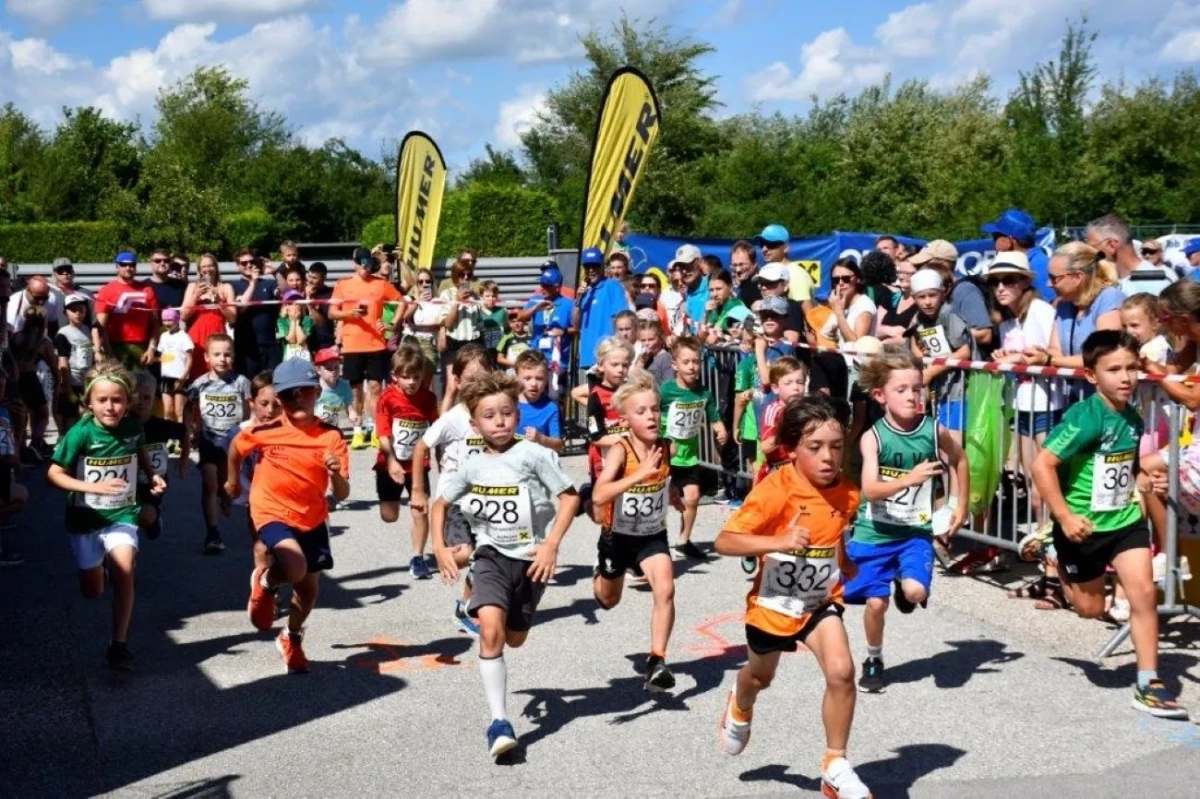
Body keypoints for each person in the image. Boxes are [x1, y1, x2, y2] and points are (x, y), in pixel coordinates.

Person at [713, 394, 871, 799]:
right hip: (773, 605)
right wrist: (778, 541)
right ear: (793, 449)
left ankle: (835, 765)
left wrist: (845, 562)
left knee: (842, 671)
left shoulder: (848, 493)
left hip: (819, 602)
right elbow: (725, 541)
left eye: (836, 446)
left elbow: (832, 535)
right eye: (815, 447)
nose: (828, 457)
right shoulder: (776, 489)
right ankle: (741, 701)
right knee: (761, 677)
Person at [1030, 330, 1188, 719]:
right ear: (1091, 376)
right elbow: (1041, 464)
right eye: (1114, 370)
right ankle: (1053, 552)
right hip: (1081, 527)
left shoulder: (1132, 417)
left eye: (1131, 368)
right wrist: (1064, 517)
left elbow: (1124, 466)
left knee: (1143, 595)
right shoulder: (1084, 417)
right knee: (1090, 608)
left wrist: (1142, 479)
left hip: (1124, 522)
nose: (1126, 377)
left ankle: (1148, 683)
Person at [430, 371, 580, 759]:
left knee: (515, 637)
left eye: (507, 413)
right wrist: (439, 547)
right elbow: (440, 504)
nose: (499, 422)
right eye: (489, 415)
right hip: (490, 557)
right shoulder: (472, 465)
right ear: (475, 424)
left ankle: (510, 641)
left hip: (530, 561)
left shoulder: (534, 455)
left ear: (517, 414)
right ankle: (499, 722)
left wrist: (551, 545)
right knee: (491, 631)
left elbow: (570, 497)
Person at [845, 350, 969, 694]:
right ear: (880, 395)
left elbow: (960, 460)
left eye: (917, 388)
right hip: (874, 532)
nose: (912, 396)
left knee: (915, 591)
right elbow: (870, 490)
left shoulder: (933, 430)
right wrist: (909, 479)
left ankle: (904, 580)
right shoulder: (873, 437)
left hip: (914, 531)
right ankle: (873, 658)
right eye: (901, 390)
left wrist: (958, 504)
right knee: (875, 603)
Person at [229, 358, 350, 674]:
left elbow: (343, 493)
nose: (297, 399)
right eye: (288, 395)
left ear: (316, 393)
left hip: (311, 517)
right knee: (294, 565)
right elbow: (236, 448)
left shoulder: (331, 437)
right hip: (270, 509)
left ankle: (291, 637)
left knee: (308, 591)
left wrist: (335, 474)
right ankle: (266, 582)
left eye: (304, 392)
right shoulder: (266, 430)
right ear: (280, 399)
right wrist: (231, 482)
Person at [46, 361, 166, 670]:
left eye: (117, 400)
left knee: (125, 567)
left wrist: (153, 477)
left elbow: (141, 457)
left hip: (122, 513)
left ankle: (119, 644)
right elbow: (54, 474)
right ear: (89, 402)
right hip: (86, 520)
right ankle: (100, 572)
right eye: (102, 400)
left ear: (128, 401)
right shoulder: (80, 433)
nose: (110, 407)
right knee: (92, 590)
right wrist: (91, 486)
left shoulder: (133, 428)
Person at [591, 371, 677, 691]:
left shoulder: (665, 447)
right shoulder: (621, 450)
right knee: (608, 600)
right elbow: (599, 495)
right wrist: (639, 475)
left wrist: (673, 493)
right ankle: (599, 574)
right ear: (626, 419)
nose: (651, 416)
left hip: (652, 535)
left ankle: (657, 660)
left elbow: (665, 478)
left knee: (665, 588)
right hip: (617, 537)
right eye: (641, 411)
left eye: (655, 409)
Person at [411, 345, 493, 633]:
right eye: (469, 379)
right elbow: (421, 446)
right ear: (457, 380)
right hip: (455, 500)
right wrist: (418, 490)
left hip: (486, 499)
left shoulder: (491, 413)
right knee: (468, 554)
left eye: (482, 377)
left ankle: (466, 606)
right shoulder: (453, 418)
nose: (476, 384)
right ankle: (442, 553)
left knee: (487, 555)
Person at [988, 252, 1063, 558]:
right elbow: (1014, 362)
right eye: (995, 282)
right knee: (1033, 481)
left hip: (1048, 405)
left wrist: (1019, 358)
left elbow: (1053, 354)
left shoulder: (1042, 311)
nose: (1000, 287)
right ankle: (1047, 549)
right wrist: (1002, 358)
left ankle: (1056, 551)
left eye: (1008, 280)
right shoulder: (1007, 322)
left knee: (1047, 483)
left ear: (1023, 283)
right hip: (1022, 406)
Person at [1024, 242, 1124, 403]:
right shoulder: (1063, 305)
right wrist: (1034, 355)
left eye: (1054, 278)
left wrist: (1049, 360)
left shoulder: (1109, 297)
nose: (1049, 284)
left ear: (1078, 277)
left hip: (1106, 403)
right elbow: (1055, 350)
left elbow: (1102, 355)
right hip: (1075, 399)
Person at [329, 247, 403, 451]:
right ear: (354, 263)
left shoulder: (381, 284)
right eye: (361, 262)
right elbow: (332, 313)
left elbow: (402, 302)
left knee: (376, 387)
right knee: (355, 389)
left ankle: (377, 429)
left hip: (376, 344)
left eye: (368, 262)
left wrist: (391, 324)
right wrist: (350, 313)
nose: (365, 266)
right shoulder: (343, 284)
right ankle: (358, 430)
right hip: (352, 345)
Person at [375, 345, 439, 578]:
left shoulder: (429, 399)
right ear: (395, 376)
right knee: (389, 516)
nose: (412, 382)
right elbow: (383, 434)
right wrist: (391, 461)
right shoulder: (387, 398)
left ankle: (417, 557)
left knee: (420, 510)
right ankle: (392, 503)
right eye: (406, 377)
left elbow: (436, 429)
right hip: (390, 463)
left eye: (416, 377)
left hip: (418, 465)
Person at [660, 335, 726, 559]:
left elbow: (714, 418)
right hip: (665, 454)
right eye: (686, 362)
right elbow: (650, 413)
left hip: (688, 455)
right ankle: (651, 541)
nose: (692, 366)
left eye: (696, 361)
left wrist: (721, 430)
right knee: (659, 499)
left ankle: (683, 541)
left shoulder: (703, 392)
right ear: (675, 365)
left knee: (693, 496)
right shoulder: (665, 391)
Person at [188, 333, 252, 555]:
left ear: (233, 356)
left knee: (226, 485)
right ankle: (212, 534)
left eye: (227, 354)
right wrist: (191, 428)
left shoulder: (241, 382)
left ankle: (225, 498)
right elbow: (188, 405)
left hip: (232, 443)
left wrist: (248, 430)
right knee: (209, 484)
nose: (222, 359)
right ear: (207, 357)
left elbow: (249, 409)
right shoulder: (200, 383)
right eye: (217, 354)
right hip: (209, 441)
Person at [909, 269, 974, 440]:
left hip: (957, 388)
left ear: (943, 294)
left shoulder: (949, 315)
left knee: (952, 441)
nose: (928, 302)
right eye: (922, 297)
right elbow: (913, 343)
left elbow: (964, 352)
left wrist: (931, 372)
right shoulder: (918, 318)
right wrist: (922, 360)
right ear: (914, 298)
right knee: (937, 439)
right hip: (936, 389)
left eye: (932, 295)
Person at [131, 369, 187, 542]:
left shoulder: (162, 426)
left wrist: (183, 460)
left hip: (154, 482)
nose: (140, 402)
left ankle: (154, 516)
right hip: (128, 481)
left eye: (146, 397)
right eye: (136, 397)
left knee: (146, 520)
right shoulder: (123, 425)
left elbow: (184, 432)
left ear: (154, 398)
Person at [911, 240, 994, 354]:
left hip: (969, 363)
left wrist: (943, 335)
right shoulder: (932, 295)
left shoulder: (965, 290)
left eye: (923, 265)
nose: (919, 270)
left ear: (941, 264)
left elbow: (985, 335)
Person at [1086, 214, 1176, 297]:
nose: (1089, 253)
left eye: (1093, 247)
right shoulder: (1102, 281)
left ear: (1112, 246)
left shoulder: (1157, 284)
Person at [10, 306, 58, 460]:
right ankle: (35, 444)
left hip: (14, 379)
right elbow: (54, 366)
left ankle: (20, 448)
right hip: (30, 378)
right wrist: (59, 383)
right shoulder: (43, 341)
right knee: (42, 414)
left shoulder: (15, 337)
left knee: (21, 415)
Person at [180, 253, 237, 381]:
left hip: (218, 335)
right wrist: (195, 296)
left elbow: (233, 318)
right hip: (196, 336)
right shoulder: (192, 287)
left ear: (216, 267)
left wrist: (219, 301)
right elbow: (183, 316)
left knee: (219, 374)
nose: (207, 269)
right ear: (199, 270)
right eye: (204, 267)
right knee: (196, 374)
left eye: (211, 266)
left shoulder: (226, 287)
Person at [575, 247, 632, 372]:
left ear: (602, 266)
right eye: (587, 266)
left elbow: (621, 319)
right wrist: (578, 300)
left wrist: (617, 350)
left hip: (608, 356)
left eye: (594, 266)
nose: (591, 270)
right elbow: (575, 325)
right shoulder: (585, 292)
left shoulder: (612, 286)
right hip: (588, 357)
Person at [54, 293, 102, 436]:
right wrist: (66, 387)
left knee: (86, 414)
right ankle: (66, 440)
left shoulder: (86, 330)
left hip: (86, 382)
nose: (77, 313)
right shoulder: (63, 334)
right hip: (72, 382)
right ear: (65, 313)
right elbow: (63, 361)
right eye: (73, 310)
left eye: (80, 310)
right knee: (69, 416)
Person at [755, 357, 808, 484]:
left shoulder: (806, 409)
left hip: (800, 468)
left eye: (800, 382)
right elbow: (765, 447)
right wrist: (785, 430)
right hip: (778, 470)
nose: (796, 387)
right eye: (788, 383)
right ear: (775, 388)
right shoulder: (774, 411)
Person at [230, 249, 281, 379]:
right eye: (244, 263)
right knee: (248, 384)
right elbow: (242, 307)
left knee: (274, 383)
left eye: (251, 261)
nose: (249, 265)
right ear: (237, 266)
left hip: (270, 344)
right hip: (246, 347)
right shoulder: (233, 286)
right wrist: (253, 282)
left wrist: (275, 273)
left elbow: (287, 293)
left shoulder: (269, 283)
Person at [982, 208, 1051, 297]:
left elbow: (1049, 304)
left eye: (995, 238)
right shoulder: (1030, 262)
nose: (994, 244)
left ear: (1009, 240)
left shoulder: (1037, 266)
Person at [754, 224, 813, 311]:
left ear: (785, 248)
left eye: (770, 244)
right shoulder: (765, 272)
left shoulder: (796, 274)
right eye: (762, 244)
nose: (764, 249)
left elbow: (809, 314)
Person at [439, 259, 485, 368]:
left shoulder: (475, 296)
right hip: (455, 343)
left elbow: (480, 322)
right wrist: (457, 301)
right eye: (461, 275)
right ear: (455, 276)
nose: (465, 278)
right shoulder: (447, 294)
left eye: (469, 275)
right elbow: (448, 324)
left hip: (474, 343)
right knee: (453, 378)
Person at [515, 350, 562, 453]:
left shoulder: (550, 408)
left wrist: (540, 438)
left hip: (540, 459)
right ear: (517, 378)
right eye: (527, 378)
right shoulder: (509, 405)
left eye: (539, 379)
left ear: (546, 380)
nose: (534, 384)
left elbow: (559, 446)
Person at [155, 309, 193, 432]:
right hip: (166, 377)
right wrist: (154, 360)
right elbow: (163, 356)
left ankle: (181, 436)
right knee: (167, 410)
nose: (167, 323)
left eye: (169, 320)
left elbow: (189, 358)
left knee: (179, 411)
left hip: (179, 377)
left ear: (177, 320)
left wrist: (183, 376)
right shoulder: (163, 336)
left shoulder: (184, 337)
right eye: (164, 320)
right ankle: (168, 435)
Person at [874, 257, 918, 344]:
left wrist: (884, 340)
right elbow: (874, 330)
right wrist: (894, 330)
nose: (901, 276)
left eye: (907, 273)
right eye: (899, 272)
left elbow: (908, 338)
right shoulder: (892, 297)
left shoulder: (921, 304)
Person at [313, 347, 355, 429]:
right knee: (322, 410)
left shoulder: (344, 386)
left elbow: (349, 407)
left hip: (333, 425)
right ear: (318, 370)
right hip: (314, 425)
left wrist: (353, 417)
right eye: (328, 368)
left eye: (336, 367)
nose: (333, 371)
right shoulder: (314, 387)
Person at [304, 262, 336, 352]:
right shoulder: (301, 291)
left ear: (324, 278)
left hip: (325, 344)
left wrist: (309, 301)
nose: (310, 280)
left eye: (314, 278)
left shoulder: (330, 294)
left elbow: (321, 321)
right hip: (306, 343)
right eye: (309, 276)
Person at [633, 319, 674, 385]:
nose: (646, 343)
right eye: (643, 340)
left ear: (660, 339)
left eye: (651, 339)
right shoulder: (643, 357)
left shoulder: (666, 358)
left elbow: (669, 384)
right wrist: (641, 362)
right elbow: (634, 379)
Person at [276, 290, 313, 361]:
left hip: (305, 359)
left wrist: (297, 322)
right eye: (291, 303)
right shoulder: (281, 321)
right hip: (288, 359)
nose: (295, 305)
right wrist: (293, 321)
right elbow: (291, 340)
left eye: (297, 302)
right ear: (286, 306)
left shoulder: (307, 320)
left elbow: (301, 340)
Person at [479, 281, 509, 363]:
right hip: (482, 352)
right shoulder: (477, 312)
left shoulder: (503, 311)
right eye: (487, 296)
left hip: (499, 351)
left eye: (494, 296)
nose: (491, 299)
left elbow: (507, 330)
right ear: (481, 297)